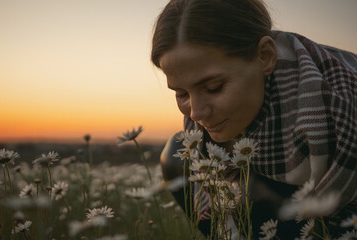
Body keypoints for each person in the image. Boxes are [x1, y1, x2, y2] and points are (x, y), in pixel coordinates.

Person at [151, 0, 357, 238]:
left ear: (265, 57)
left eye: (214, 87)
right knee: (179, 153)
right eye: (182, 93)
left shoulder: (338, 104)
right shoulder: (204, 124)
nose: (196, 113)